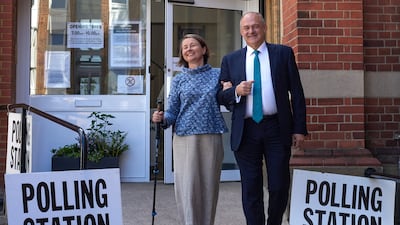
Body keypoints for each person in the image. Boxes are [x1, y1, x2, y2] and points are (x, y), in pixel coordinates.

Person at [217, 12, 308, 225]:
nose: (251, 31)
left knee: (278, 184)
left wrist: (299, 128)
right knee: (251, 186)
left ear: (264, 28)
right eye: (246, 28)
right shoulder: (230, 60)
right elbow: (220, 96)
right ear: (241, 32)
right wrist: (236, 91)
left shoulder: (283, 54)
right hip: (246, 130)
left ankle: (274, 221)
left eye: (255, 26)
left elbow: (297, 92)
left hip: (277, 127)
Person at [152, 33, 228, 225]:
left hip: (211, 135)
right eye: (184, 47)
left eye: (192, 45)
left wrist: (230, 89)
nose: (188, 49)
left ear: (204, 49)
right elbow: (172, 112)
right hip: (184, 138)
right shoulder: (178, 80)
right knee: (187, 188)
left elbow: (229, 98)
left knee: (209, 187)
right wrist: (161, 119)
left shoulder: (219, 74)